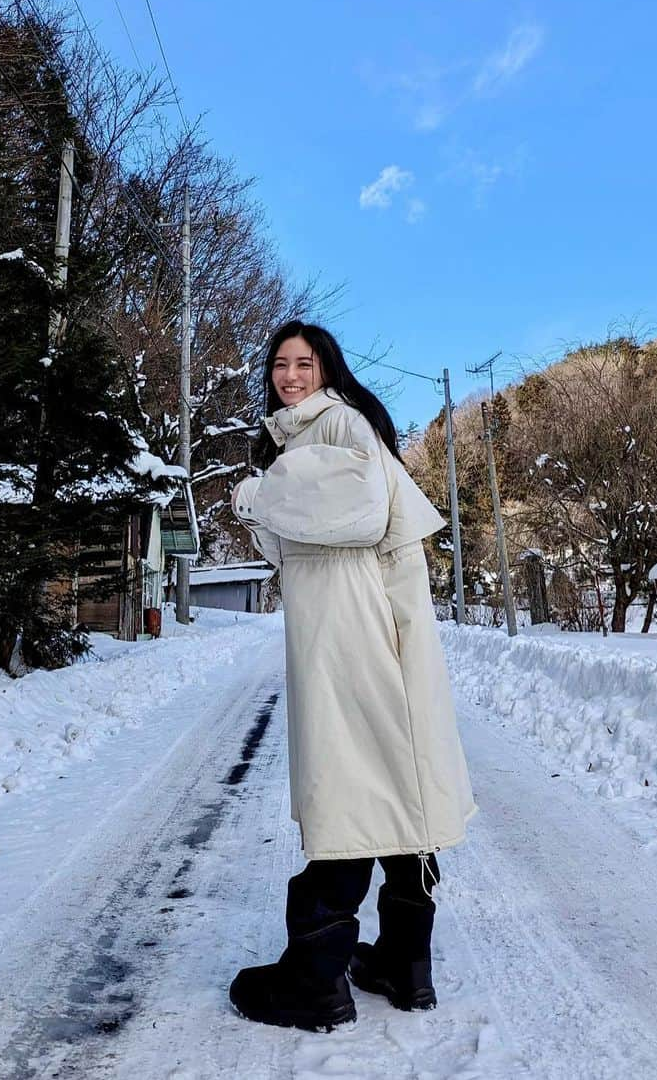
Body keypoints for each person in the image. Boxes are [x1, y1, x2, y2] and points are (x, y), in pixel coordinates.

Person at [227, 321, 476, 1032]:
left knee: (348, 781)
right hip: (366, 616)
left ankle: (315, 978)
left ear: (328, 369)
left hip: (347, 619)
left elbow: (358, 512)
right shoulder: (315, 433)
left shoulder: (334, 424)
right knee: (395, 782)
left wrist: (257, 495)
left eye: (305, 363)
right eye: (280, 365)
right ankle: (404, 962)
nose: (290, 376)